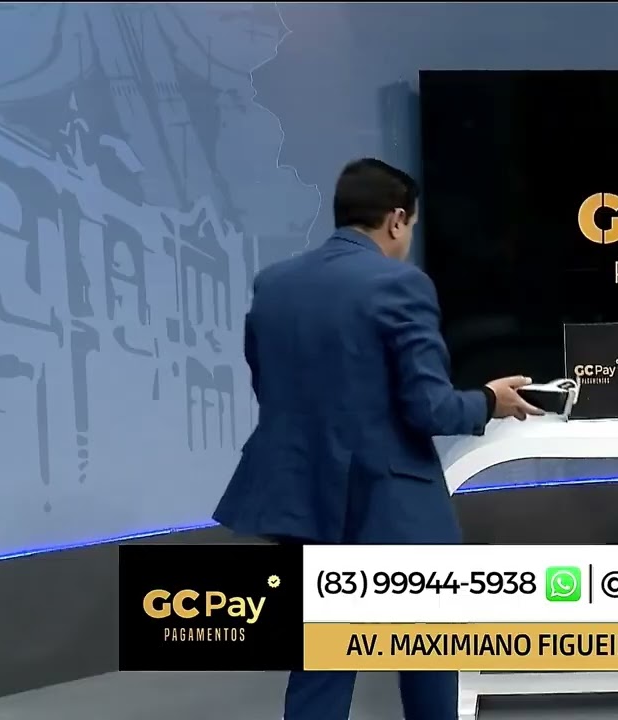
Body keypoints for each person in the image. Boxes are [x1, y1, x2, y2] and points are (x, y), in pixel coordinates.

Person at [213, 158, 543, 720]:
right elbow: (430, 407)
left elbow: (268, 383)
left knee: (322, 660)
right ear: (396, 219)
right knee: (427, 651)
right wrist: (490, 400)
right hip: (388, 501)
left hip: (300, 497)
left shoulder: (275, 283)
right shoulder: (400, 284)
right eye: (410, 226)